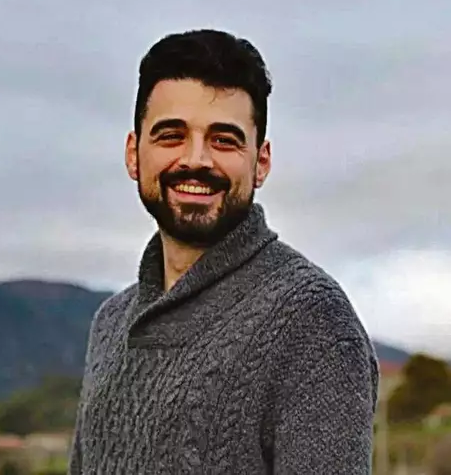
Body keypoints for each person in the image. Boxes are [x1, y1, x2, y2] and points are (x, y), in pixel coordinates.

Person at [69, 29, 378, 474]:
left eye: (224, 140)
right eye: (171, 135)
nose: (196, 159)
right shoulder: (110, 323)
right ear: (134, 154)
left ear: (261, 162)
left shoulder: (311, 321)